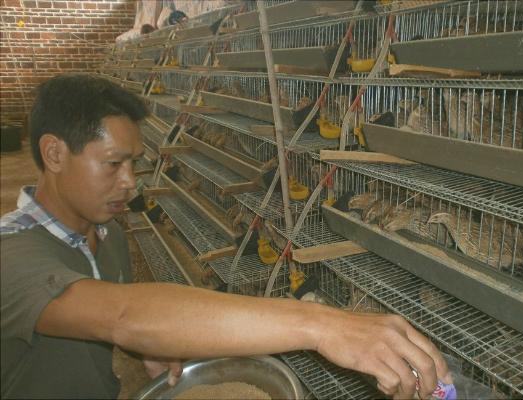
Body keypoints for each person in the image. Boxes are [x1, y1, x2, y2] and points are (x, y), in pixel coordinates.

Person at [1, 74, 450, 399]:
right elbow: (120, 314)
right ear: (54, 153)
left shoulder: (107, 234)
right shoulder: (11, 255)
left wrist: (143, 347)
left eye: (134, 164)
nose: (130, 182)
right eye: (113, 164)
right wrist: (322, 324)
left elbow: (112, 322)